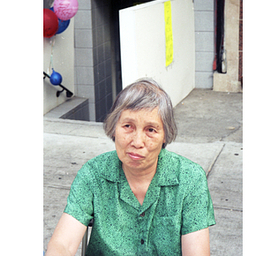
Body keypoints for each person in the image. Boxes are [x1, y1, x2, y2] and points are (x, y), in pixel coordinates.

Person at [46, 78, 216, 256]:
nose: (137, 142)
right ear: (114, 128)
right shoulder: (93, 174)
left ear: (165, 134)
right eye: (128, 126)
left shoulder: (190, 179)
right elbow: (62, 245)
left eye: (151, 130)